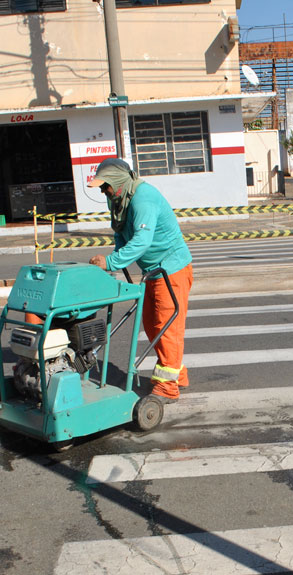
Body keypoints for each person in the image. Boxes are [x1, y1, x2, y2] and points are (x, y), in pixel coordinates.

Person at [88, 158, 192, 403]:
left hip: (172, 269)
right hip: (153, 273)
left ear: (118, 182)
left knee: (167, 327)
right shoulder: (120, 200)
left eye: (105, 186)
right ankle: (179, 373)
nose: (103, 191)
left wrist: (111, 262)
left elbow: (142, 241)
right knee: (153, 326)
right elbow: (121, 233)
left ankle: (167, 387)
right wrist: (114, 260)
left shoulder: (143, 199)